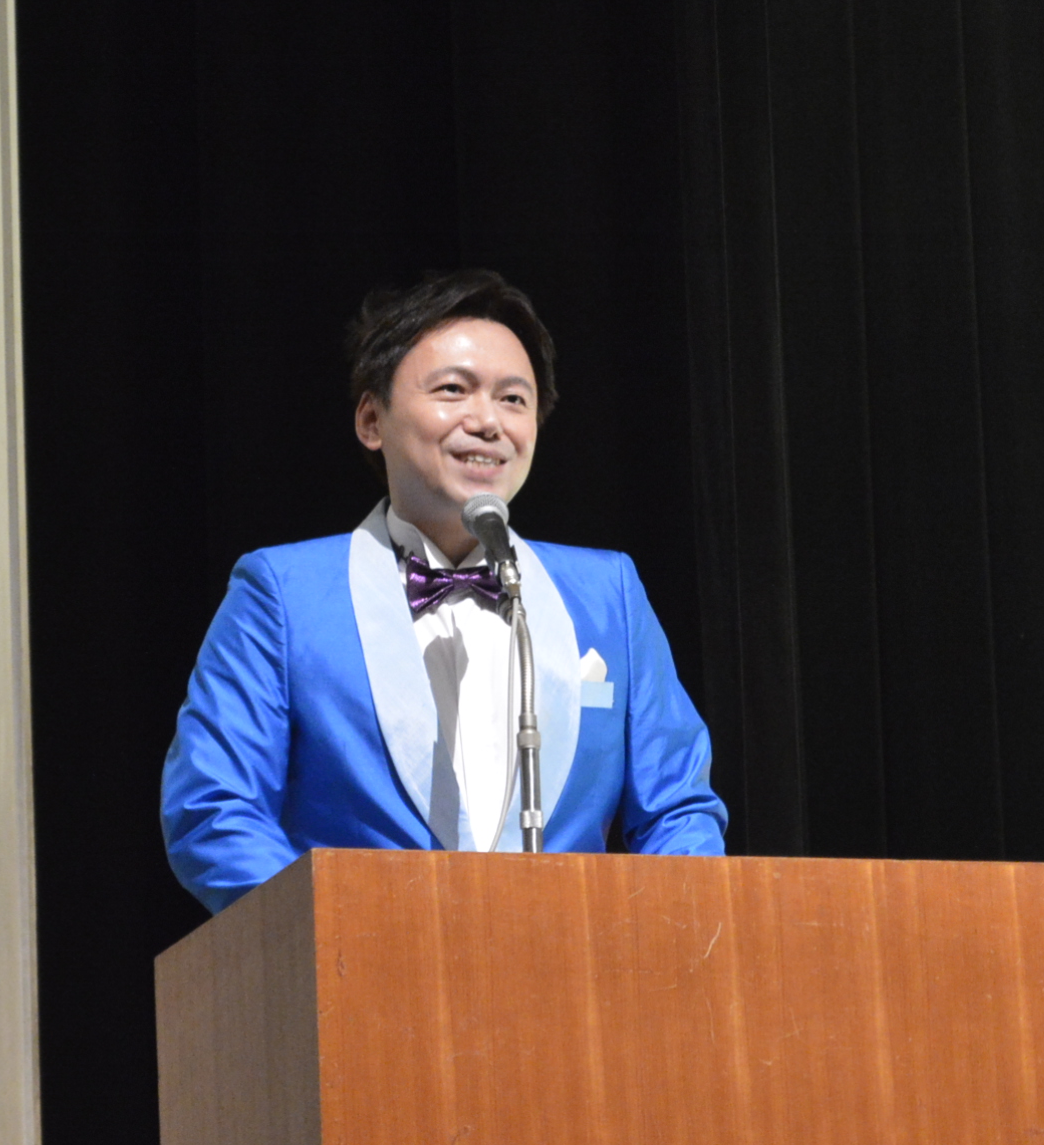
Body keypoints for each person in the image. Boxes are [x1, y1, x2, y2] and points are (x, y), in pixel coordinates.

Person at [161, 269, 727, 914]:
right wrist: (345, 936)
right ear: (372, 420)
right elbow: (214, 810)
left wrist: (667, 932)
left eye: (513, 399)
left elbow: (678, 810)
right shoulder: (284, 593)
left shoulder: (608, 594)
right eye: (454, 390)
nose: (487, 421)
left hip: (575, 967)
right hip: (363, 965)